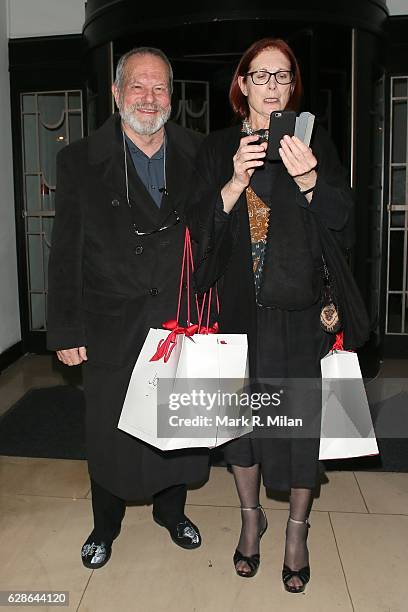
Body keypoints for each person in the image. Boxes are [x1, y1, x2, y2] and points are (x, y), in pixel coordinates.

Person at [187, 38, 368, 593]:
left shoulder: (314, 143)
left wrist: (311, 180)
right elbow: (198, 231)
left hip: (299, 316)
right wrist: (235, 182)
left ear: (293, 88)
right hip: (238, 313)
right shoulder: (219, 147)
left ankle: (296, 529)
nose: (271, 86)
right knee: (241, 428)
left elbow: (345, 224)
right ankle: (249, 519)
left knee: (297, 428)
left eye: (282, 76)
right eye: (259, 75)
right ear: (241, 86)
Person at [47, 47, 210, 569]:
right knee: (111, 432)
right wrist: (66, 328)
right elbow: (65, 250)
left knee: (174, 432)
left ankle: (171, 512)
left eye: (159, 87)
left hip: (178, 323)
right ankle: (105, 525)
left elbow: (214, 235)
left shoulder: (198, 152)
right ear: (117, 94)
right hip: (111, 325)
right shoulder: (79, 159)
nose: (148, 97)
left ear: (172, 97)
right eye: (137, 86)